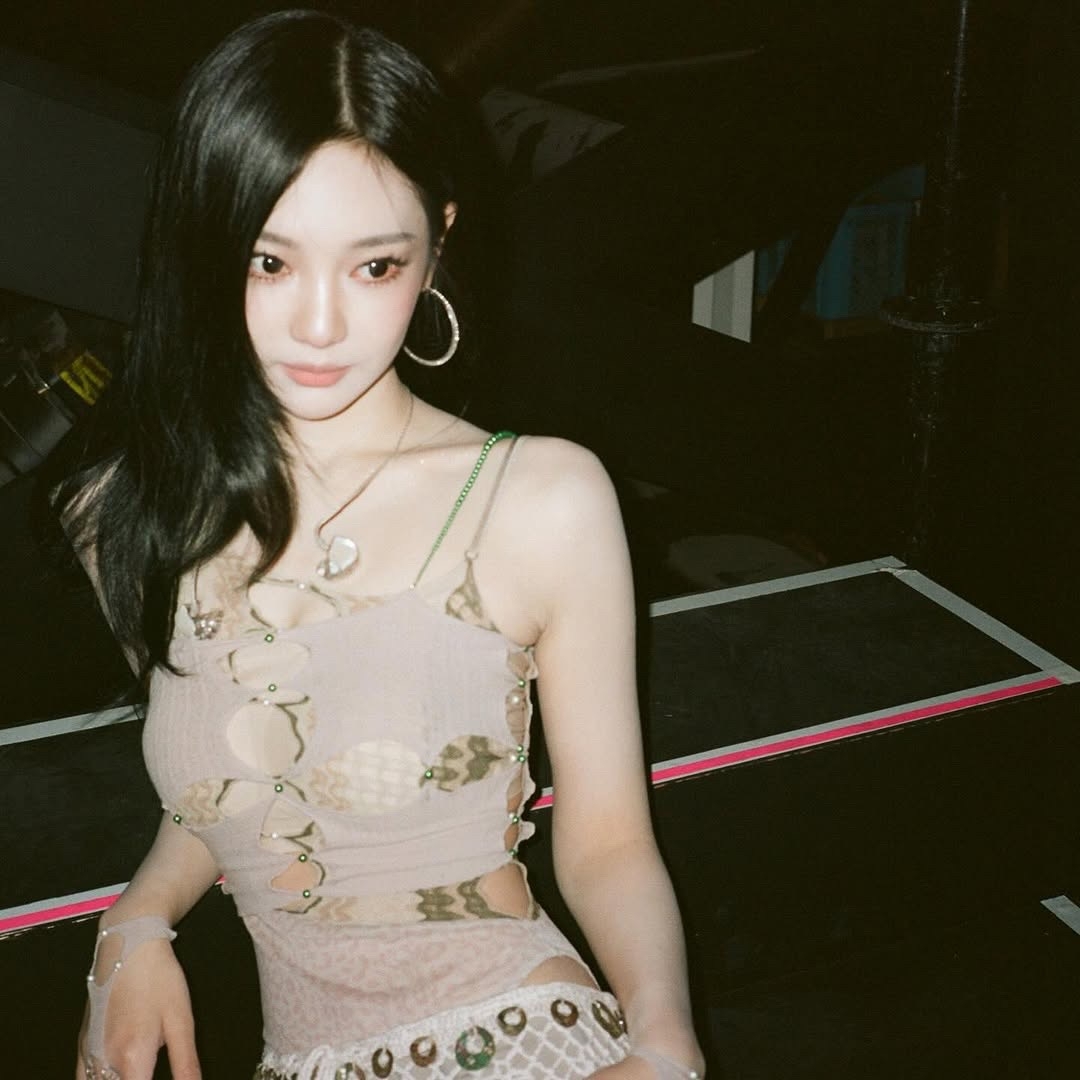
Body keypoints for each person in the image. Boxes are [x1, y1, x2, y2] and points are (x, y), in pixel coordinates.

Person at [54, 10, 703, 1079]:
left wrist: (667, 1041)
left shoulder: (538, 499)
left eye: (374, 266)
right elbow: (239, 782)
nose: (320, 325)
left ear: (436, 246)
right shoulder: (124, 516)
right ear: (203, 245)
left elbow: (608, 842)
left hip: (512, 1038)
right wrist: (136, 919)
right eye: (270, 261)